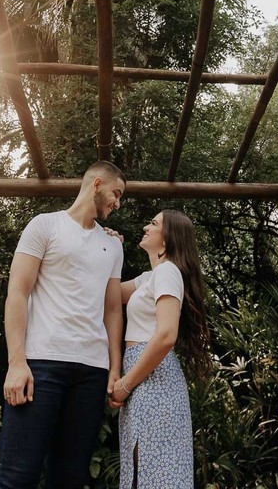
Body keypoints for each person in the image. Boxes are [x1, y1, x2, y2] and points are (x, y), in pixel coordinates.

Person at [0, 161, 126, 489]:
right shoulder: (44, 226)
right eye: (116, 193)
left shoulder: (113, 244)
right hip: (41, 366)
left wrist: (114, 366)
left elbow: (112, 309)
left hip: (91, 374)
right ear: (96, 184)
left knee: (69, 480)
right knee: (16, 478)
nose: (118, 203)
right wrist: (16, 362)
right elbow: (17, 293)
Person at [109, 210, 210, 489]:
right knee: (144, 474)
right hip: (145, 377)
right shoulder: (150, 277)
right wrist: (109, 251)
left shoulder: (167, 272)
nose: (145, 226)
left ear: (167, 240)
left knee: (154, 474)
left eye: (153, 223)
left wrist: (126, 384)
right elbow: (108, 295)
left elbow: (166, 335)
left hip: (153, 381)